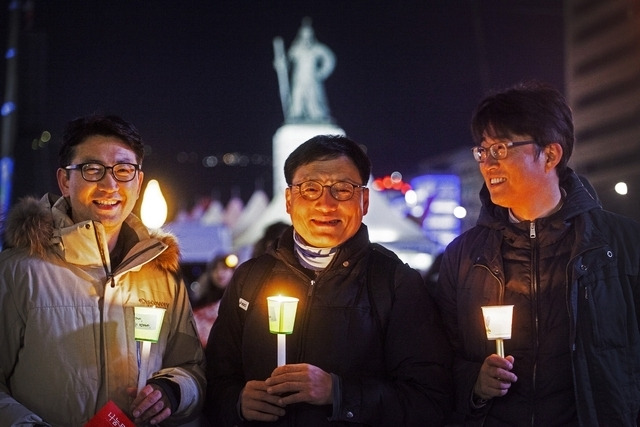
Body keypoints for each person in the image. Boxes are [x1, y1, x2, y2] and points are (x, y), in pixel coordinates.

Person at [205, 134, 452, 426]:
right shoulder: (250, 279)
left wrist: (339, 394)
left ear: (365, 199)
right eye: (310, 188)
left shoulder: (395, 283)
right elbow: (213, 379)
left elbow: (430, 399)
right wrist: (237, 401)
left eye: (343, 189)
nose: (326, 203)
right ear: (288, 199)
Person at [431, 81, 640, 426]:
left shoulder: (622, 246)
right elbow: (437, 361)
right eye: (482, 151)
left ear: (551, 155)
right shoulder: (464, 256)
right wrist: (474, 382)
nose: (487, 164)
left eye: (500, 149)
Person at [0, 114, 206, 426]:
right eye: (92, 169)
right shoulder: (18, 272)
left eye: (123, 170)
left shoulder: (162, 275)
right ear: (65, 181)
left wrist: (172, 391)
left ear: (137, 182)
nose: (109, 185)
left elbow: (192, 367)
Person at [286, 17, 335, 122]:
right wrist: (280, 63)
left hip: (312, 77)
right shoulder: (296, 49)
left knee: (313, 97)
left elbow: (329, 59)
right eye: (304, 36)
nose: (306, 39)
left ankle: (316, 115)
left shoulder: (317, 48)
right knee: (297, 96)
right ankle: (297, 114)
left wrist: (321, 73)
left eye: (308, 36)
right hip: (298, 78)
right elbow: (287, 62)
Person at [192, 253, 238, 347]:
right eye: (215, 268)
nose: (220, 273)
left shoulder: (238, 302)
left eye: (225, 269)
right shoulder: (199, 302)